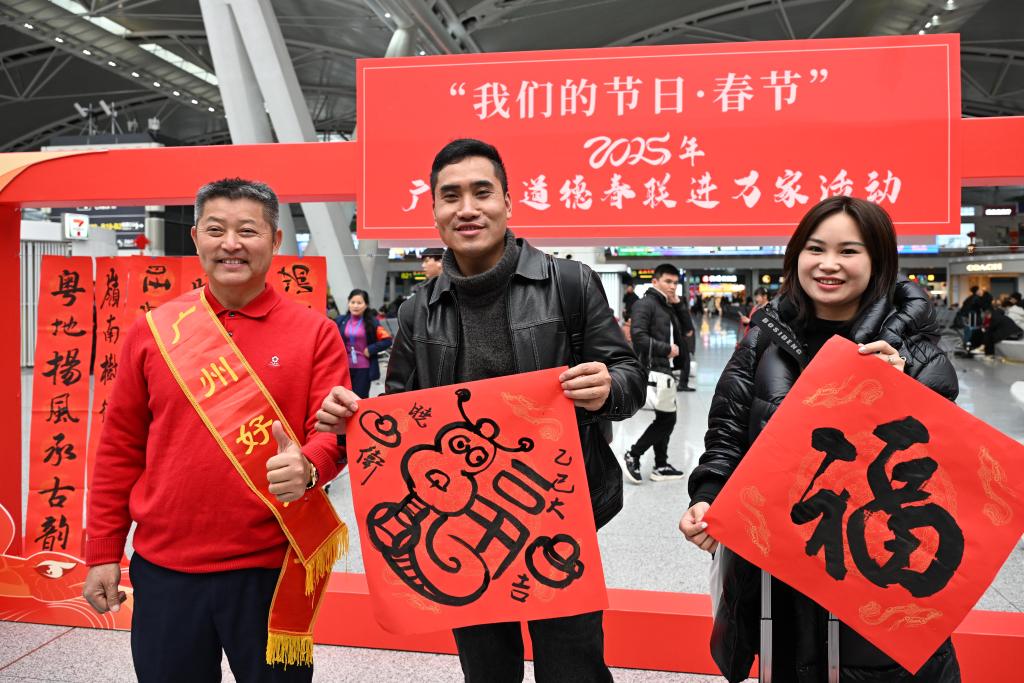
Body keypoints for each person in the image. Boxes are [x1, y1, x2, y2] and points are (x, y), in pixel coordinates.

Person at [316, 138, 645, 683]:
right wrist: (354, 420)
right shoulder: (418, 311)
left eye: (482, 192)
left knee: (573, 666)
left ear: (508, 203)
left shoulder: (568, 284)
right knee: (487, 670)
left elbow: (629, 377)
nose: (467, 208)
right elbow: (397, 415)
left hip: (554, 510)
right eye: (451, 196)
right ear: (434, 211)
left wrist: (608, 386)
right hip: (462, 524)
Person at [83, 178, 356, 682]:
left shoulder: (314, 332)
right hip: (165, 567)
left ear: (275, 240)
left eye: (248, 230)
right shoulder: (155, 332)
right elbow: (119, 448)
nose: (231, 243)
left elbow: (333, 433)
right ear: (196, 238)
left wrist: (309, 466)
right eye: (216, 230)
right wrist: (102, 551)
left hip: (272, 568)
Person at [678, 196, 960, 682]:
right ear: (796, 256)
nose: (828, 264)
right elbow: (727, 435)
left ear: (878, 262)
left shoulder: (916, 353)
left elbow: (946, 464)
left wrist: (900, 392)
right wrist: (708, 496)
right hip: (782, 578)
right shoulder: (764, 340)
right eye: (815, 248)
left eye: (848, 251)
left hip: (876, 573)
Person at [623, 264, 690, 485]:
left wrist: (678, 304)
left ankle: (660, 465)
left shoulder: (667, 306)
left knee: (665, 417)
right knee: (668, 419)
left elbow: (688, 330)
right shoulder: (645, 304)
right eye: (667, 281)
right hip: (654, 368)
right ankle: (634, 454)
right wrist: (666, 349)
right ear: (655, 282)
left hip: (665, 369)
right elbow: (638, 337)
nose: (672, 286)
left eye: (675, 283)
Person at [336, 289, 393, 398]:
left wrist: (370, 349)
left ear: (366, 305)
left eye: (359, 303)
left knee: (360, 399)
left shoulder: (372, 322)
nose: (355, 306)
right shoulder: (340, 321)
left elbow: (387, 340)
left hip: (363, 368)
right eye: (353, 302)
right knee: (344, 399)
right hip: (344, 367)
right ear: (348, 303)